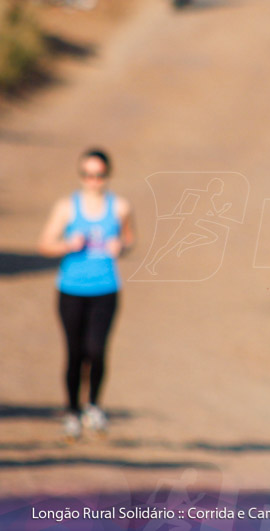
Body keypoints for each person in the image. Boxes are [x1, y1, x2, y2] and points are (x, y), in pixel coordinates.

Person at [38, 149, 135, 440]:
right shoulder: (67, 207)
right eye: (88, 175)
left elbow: (130, 238)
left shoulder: (120, 207)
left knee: (97, 349)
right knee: (75, 352)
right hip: (71, 288)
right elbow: (45, 244)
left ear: (107, 176)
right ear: (81, 176)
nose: (93, 180)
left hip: (105, 288)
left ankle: (93, 405)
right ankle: (71, 411)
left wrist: (122, 246)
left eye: (99, 175)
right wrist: (67, 244)